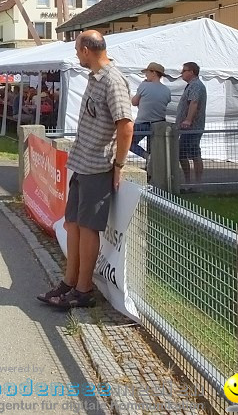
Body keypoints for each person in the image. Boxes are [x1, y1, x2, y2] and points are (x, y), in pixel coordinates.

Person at [41, 30, 133, 310]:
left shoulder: (113, 80)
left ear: (85, 51)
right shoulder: (95, 78)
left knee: (89, 228)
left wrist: (118, 165)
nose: (75, 55)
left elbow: (126, 125)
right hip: (82, 163)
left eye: (77, 49)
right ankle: (70, 282)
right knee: (74, 225)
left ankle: (83, 290)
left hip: (97, 166)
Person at [130, 62, 171, 159]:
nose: (146, 75)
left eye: (147, 72)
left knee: (128, 142)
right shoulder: (167, 90)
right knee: (155, 148)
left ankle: (147, 156)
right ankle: (154, 168)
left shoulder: (144, 86)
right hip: (159, 123)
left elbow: (134, 102)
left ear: (154, 73)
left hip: (143, 123)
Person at [176, 61, 207, 183]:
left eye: (184, 71)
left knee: (190, 153)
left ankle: (194, 183)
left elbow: (194, 102)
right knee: (185, 153)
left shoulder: (196, 85)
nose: (181, 73)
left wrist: (188, 120)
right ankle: (189, 182)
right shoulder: (191, 85)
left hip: (192, 127)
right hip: (188, 127)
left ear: (191, 72)